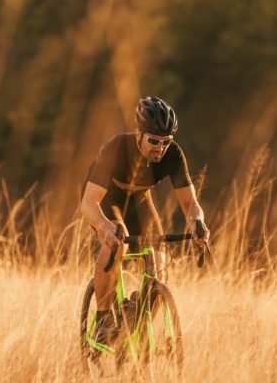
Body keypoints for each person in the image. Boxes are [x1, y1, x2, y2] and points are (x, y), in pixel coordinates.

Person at [80, 96, 210, 343]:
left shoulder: (172, 154)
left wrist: (197, 223)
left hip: (139, 199)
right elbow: (89, 202)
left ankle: (137, 325)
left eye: (166, 142)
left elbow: (190, 204)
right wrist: (104, 226)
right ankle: (105, 321)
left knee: (158, 261)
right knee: (116, 239)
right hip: (106, 198)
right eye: (153, 141)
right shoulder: (118, 147)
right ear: (138, 134)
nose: (159, 148)